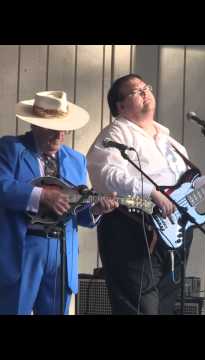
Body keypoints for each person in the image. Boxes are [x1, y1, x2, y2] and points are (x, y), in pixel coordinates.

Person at [87, 74, 205, 315]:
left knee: (164, 308)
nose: (145, 92)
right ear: (120, 106)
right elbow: (105, 174)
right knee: (139, 309)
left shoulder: (171, 143)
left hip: (174, 237)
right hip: (133, 231)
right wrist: (151, 192)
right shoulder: (116, 134)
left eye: (147, 87)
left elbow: (191, 187)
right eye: (136, 91)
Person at [0, 90, 118, 315]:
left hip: (63, 251)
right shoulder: (10, 148)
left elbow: (77, 211)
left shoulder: (76, 159)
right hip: (24, 247)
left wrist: (96, 209)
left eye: (63, 129)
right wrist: (42, 195)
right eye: (51, 129)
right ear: (34, 125)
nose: (59, 135)